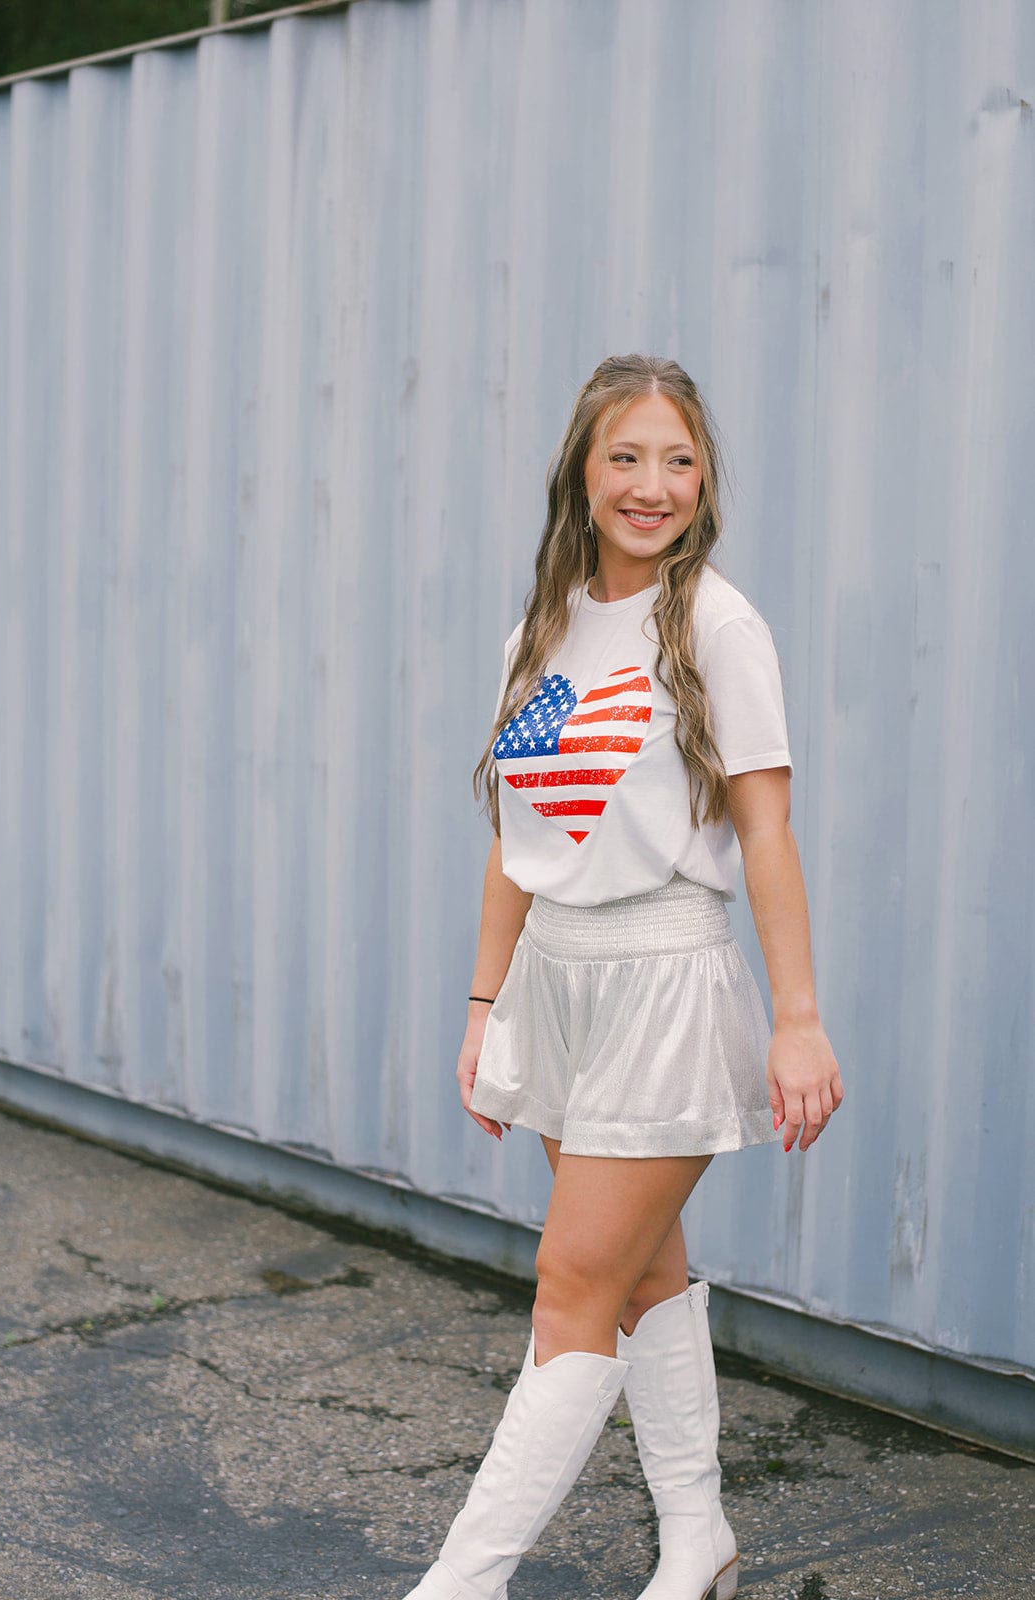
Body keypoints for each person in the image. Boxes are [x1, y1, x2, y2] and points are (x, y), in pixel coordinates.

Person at [402, 354, 844, 1600]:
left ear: (704, 483)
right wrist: (484, 1006)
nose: (651, 485)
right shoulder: (539, 630)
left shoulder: (714, 623)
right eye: (626, 457)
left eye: (679, 460)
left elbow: (765, 828)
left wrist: (797, 1018)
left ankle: (461, 1580)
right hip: (559, 976)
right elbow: (514, 840)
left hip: (661, 976)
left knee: (570, 1282)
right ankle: (697, 1537)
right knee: (643, 1270)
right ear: (581, 474)